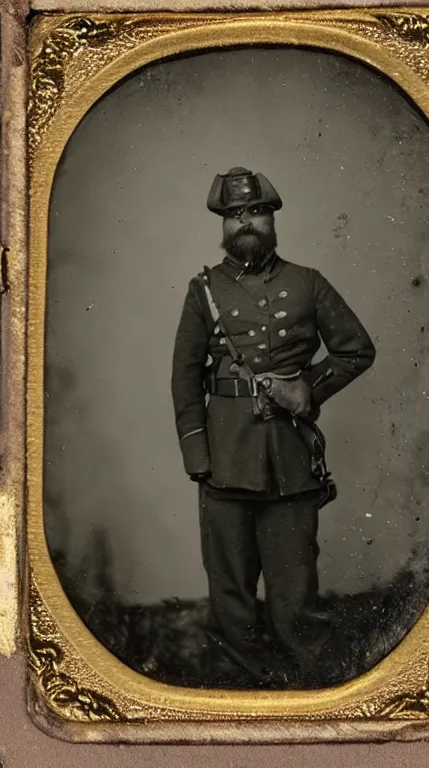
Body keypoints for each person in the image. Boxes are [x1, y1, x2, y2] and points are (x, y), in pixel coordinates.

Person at [171, 167, 376, 685]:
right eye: (237, 215)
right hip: (225, 463)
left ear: (273, 218)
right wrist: (198, 460)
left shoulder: (308, 283)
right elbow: (184, 380)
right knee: (231, 601)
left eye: (257, 212)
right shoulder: (205, 291)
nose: (248, 224)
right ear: (223, 224)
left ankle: (308, 703)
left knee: (295, 603)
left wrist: (309, 387)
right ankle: (241, 703)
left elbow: (356, 350)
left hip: (290, 460)